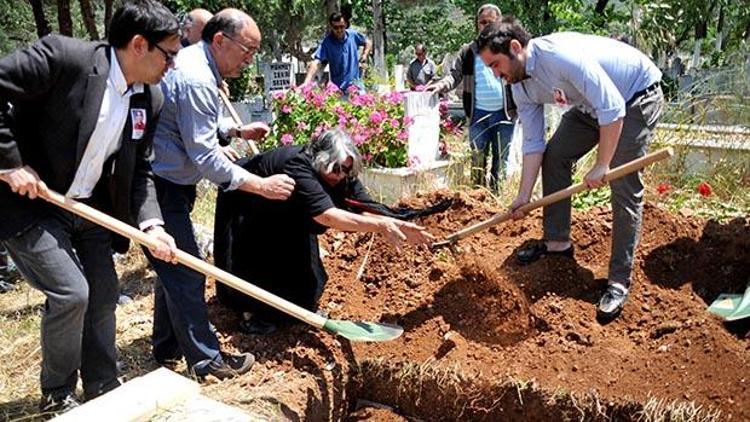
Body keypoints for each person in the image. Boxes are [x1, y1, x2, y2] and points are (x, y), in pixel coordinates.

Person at [0, 0, 180, 414]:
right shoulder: (64, 58)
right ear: (139, 45)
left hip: (87, 208)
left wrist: (152, 224)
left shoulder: (147, 100)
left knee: (103, 294)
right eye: (169, 54)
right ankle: (57, 393)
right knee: (72, 293)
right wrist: (10, 164)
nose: (173, 64)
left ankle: (102, 384)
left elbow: (140, 172)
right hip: (32, 201)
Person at [477, 18, 664, 320]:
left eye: (496, 65)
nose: (496, 74)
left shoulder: (559, 56)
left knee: (623, 180)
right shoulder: (519, 85)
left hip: (634, 97)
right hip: (591, 107)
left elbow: (613, 107)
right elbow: (534, 143)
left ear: (515, 48)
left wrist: (602, 165)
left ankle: (617, 282)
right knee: (555, 156)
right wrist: (523, 196)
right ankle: (557, 243)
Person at [149, 8, 296, 379]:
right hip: (160, 186)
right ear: (220, 40)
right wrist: (260, 186)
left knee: (171, 266)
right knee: (186, 272)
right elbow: (206, 159)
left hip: (170, 182)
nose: (250, 60)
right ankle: (206, 360)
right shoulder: (197, 77)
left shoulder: (199, 67)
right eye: (247, 50)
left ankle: (166, 346)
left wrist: (237, 132)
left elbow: (200, 122)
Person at [214, 129, 434, 335]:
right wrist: (381, 227)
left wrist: (397, 224)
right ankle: (254, 315)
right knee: (261, 261)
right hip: (251, 203)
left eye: (347, 169)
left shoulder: (343, 174)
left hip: (288, 211)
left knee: (303, 270)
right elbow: (327, 216)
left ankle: (296, 311)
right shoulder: (298, 165)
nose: (340, 175)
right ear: (321, 160)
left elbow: (363, 207)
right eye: (335, 168)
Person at [428, 4, 515, 191]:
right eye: (482, 22)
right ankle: (478, 200)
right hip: (478, 116)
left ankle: (498, 201)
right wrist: (440, 85)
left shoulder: (509, 49)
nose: (485, 26)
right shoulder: (468, 51)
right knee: (477, 160)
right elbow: (454, 75)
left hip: (505, 116)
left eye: (490, 22)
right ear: (477, 25)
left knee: (501, 161)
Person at [303, 11, 372, 92]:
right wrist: (306, 83)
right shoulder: (327, 43)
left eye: (342, 26)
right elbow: (316, 63)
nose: (339, 30)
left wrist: (364, 55)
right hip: (339, 90)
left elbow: (368, 42)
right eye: (336, 27)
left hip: (357, 87)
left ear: (345, 25)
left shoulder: (353, 35)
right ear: (331, 27)